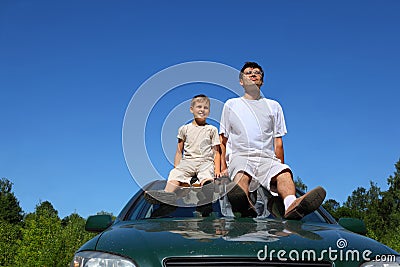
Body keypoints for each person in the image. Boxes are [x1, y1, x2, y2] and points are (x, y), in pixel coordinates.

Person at [219, 62, 326, 219]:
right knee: (242, 174)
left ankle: (291, 205)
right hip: (240, 156)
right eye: (248, 73)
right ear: (241, 81)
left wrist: (279, 167)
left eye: (257, 72)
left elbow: (278, 143)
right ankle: (243, 203)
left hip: (267, 159)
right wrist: (222, 168)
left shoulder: (273, 106)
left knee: (284, 173)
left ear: (262, 80)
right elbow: (223, 140)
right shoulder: (232, 104)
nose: (253, 74)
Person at [145, 94, 221, 205]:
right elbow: (179, 151)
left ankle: (207, 189)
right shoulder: (184, 129)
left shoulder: (212, 129)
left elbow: (216, 151)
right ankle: (167, 194)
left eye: (206, 108)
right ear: (191, 109)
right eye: (199, 107)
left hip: (205, 161)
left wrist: (217, 170)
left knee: (206, 174)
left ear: (209, 111)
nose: (202, 110)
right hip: (188, 162)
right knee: (175, 173)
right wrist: (178, 167)